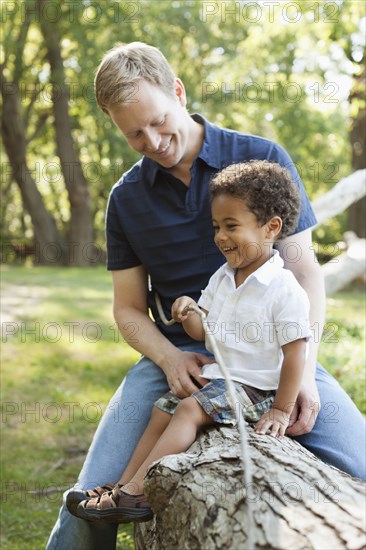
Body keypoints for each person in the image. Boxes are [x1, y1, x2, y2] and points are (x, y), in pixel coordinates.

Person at [46, 42, 366, 550]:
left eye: (157, 121)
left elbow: (307, 278)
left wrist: (304, 372)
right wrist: (170, 357)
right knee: (88, 505)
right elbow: (128, 308)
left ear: (178, 90)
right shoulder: (126, 199)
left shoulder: (262, 157)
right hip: (183, 354)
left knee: (360, 463)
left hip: (276, 352)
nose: (152, 141)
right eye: (133, 133)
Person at [66, 160, 312, 524]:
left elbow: (296, 355)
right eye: (216, 227)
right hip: (222, 377)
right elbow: (203, 331)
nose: (221, 237)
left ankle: (139, 493)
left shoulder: (283, 289)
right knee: (163, 407)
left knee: (187, 410)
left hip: (257, 388)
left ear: (270, 227)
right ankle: (122, 485)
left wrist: (280, 408)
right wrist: (189, 309)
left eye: (232, 226)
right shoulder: (225, 276)